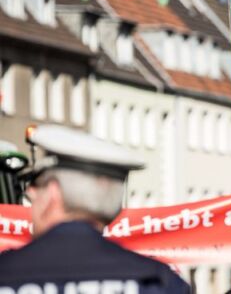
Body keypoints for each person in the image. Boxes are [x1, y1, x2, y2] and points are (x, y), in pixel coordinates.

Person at [0, 125, 190, 292]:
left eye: (36, 184)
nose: (30, 193)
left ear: (53, 192)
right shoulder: (156, 281)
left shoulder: (6, 274)